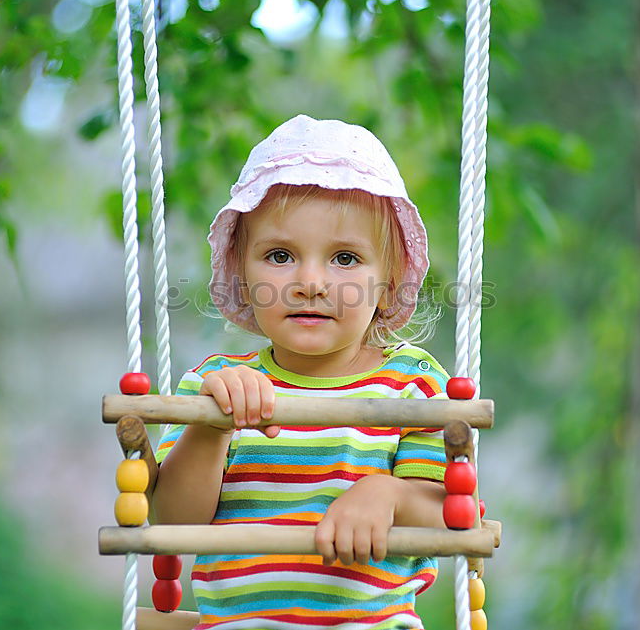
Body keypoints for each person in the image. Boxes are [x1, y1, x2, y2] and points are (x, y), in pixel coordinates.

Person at [152, 114, 450, 629]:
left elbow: (449, 513)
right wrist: (209, 427)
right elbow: (173, 522)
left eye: (344, 258)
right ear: (242, 275)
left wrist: (389, 493)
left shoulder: (413, 383)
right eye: (280, 255)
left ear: (389, 280)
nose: (310, 282)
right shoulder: (214, 384)